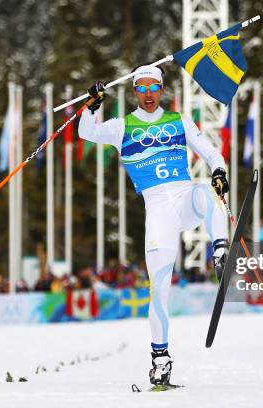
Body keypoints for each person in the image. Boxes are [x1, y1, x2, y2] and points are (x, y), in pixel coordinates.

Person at [78, 64, 229, 386]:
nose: (148, 95)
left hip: (185, 199)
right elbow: (86, 133)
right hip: (159, 212)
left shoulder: (179, 121)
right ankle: (160, 359)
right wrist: (92, 106)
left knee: (205, 190)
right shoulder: (123, 126)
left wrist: (219, 171)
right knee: (158, 291)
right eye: (142, 88)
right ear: (135, 91)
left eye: (153, 88)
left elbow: (212, 152)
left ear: (162, 90)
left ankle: (221, 252)